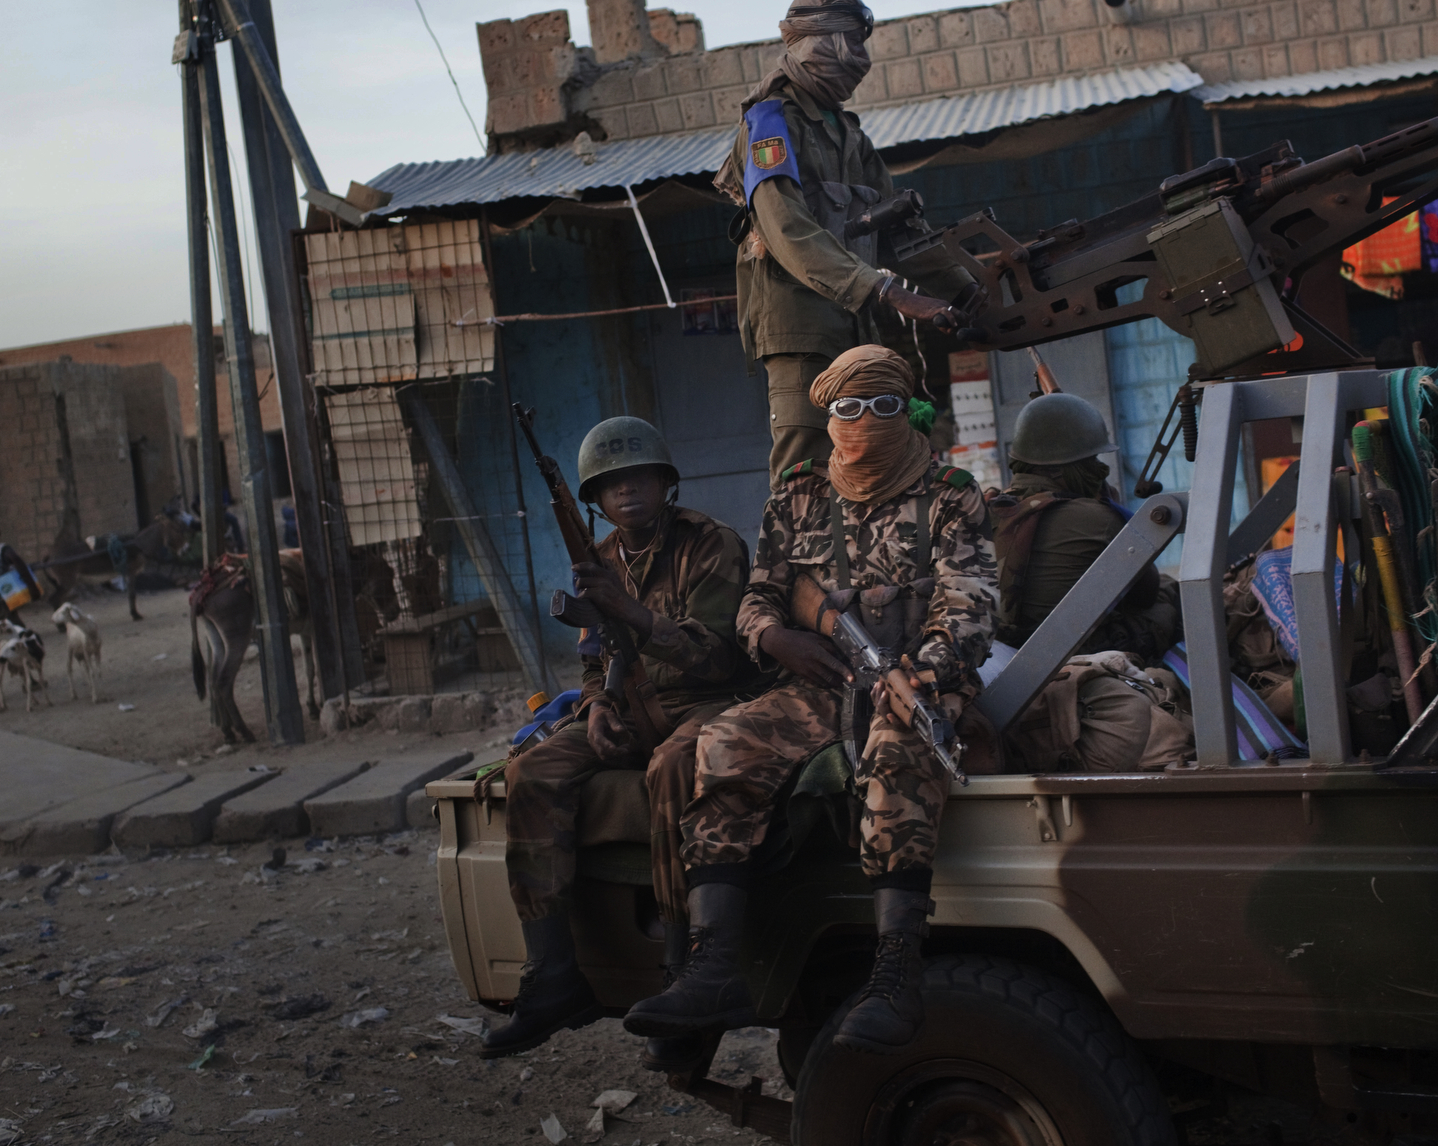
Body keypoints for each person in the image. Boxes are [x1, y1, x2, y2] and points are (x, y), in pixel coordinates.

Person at [623, 345, 997, 1054]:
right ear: (826, 415)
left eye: (883, 406)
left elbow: (970, 602)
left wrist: (927, 667)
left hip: (917, 677)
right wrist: (775, 638)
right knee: (726, 741)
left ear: (906, 409)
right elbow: (760, 594)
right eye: (847, 409)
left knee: (899, 746)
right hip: (820, 679)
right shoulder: (798, 491)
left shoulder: (951, 492)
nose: (864, 423)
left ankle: (895, 976)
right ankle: (715, 965)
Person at [483, 417, 758, 1067]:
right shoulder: (599, 559)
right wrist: (599, 703)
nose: (626, 490)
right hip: (630, 706)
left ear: (664, 482)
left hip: (709, 706)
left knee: (670, 768)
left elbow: (721, 658)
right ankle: (552, 977)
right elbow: (593, 656)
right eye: (611, 482)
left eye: (639, 476)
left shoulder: (710, 543)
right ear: (594, 499)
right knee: (533, 766)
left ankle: (681, 980)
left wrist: (634, 612)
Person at [714, 0, 982, 487]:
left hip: (856, 333)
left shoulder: (849, 134)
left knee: (872, 473)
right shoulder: (769, 123)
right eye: (852, 44)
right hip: (802, 336)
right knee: (806, 482)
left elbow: (898, 234)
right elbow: (785, 226)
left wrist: (966, 289)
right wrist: (886, 290)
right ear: (820, 45)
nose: (861, 59)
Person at [993, 393, 1176, 661]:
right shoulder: (1096, 517)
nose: (1099, 469)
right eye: (1091, 461)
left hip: (1009, 649)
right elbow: (1145, 594)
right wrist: (1113, 510)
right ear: (1061, 469)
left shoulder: (993, 509)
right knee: (1171, 599)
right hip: (1072, 654)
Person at [0, 520, 42, 626]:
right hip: (1, 601)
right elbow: (17, 561)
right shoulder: (2, 549)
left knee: (8, 634)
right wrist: (32, 587)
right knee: (19, 632)